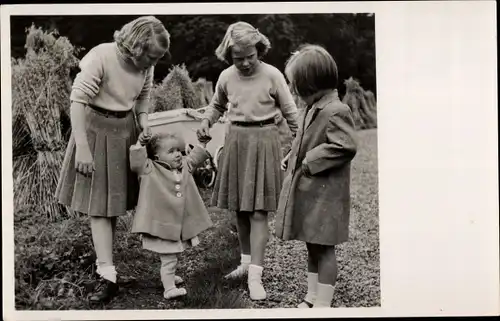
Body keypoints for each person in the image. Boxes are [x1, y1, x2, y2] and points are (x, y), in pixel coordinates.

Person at [54, 16, 170, 303]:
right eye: (150, 57)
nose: (152, 64)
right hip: (94, 129)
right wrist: (82, 146)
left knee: (112, 204)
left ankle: (109, 268)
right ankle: (106, 275)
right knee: (98, 207)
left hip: (124, 130)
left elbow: (143, 98)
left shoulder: (147, 66)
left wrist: (143, 122)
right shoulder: (101, 56)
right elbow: (77, 101)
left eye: (157, 59)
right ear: (136, 46)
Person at [197, 21, 299, 301]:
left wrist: (300, 144)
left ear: (260, 49)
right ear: (229, 55)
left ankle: (256, 274)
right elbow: (217, 105)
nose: (243, 63)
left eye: (249, 57)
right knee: (240, 210)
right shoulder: (226, 76)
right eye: (237, 58)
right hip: (235, 142)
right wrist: (207, 121)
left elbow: (291, 114)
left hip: (264, 141)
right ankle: (244, 264)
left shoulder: (272, 75)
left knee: (258, 212)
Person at [275, 44, 358, 308]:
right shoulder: (313, 108)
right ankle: (312, 296)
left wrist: (309, 161)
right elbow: (304, 138)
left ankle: (323, 304)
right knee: (312, 244)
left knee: (324, 248)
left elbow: (345, 146)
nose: (294, 91)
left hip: (326, 196)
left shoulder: (336, 110)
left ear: (309, 84)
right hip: (312, 194)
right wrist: (292, 155)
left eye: (295, 85)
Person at [129, 131, 213, 299]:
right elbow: (136, 162)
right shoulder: (149, 168)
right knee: (169, 258)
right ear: (156, 155)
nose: (177, 154)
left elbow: (194, 158)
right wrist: (139, 144)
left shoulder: (183, 166)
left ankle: (168, 276)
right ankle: (169, 289)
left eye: (179, 151)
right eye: (171, 151)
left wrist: (202, 143)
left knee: (171, 255)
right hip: (161, 225)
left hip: (176, 225)